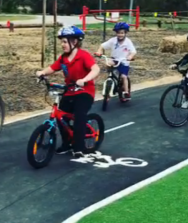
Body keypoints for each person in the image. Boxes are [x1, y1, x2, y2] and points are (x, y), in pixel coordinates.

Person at [35, 25, 101, 158]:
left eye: (65, 41)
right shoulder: (63, 58)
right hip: (70, 91)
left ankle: (79, 146)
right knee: (61, 115)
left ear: (74, 42)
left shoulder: (83, 56)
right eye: (62, 41)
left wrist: (84, 79)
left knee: (79, 115)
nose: (62, 44)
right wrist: (42, 72)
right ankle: (67, 143)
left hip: (84, 92)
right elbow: (53, 68)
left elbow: (96, 69)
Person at [95, 22, 137, 99]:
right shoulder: (113, 40)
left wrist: (130, 56)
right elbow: (102, 45)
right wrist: (99, 51)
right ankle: (110, 80)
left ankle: (126, 92)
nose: (120, 35)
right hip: (114, 59)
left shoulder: (128, 42)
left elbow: (133, 51)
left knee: (124, 76)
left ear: (125, 33)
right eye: (118, 33)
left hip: (124, 61)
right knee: (108, 63)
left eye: (122, 33)